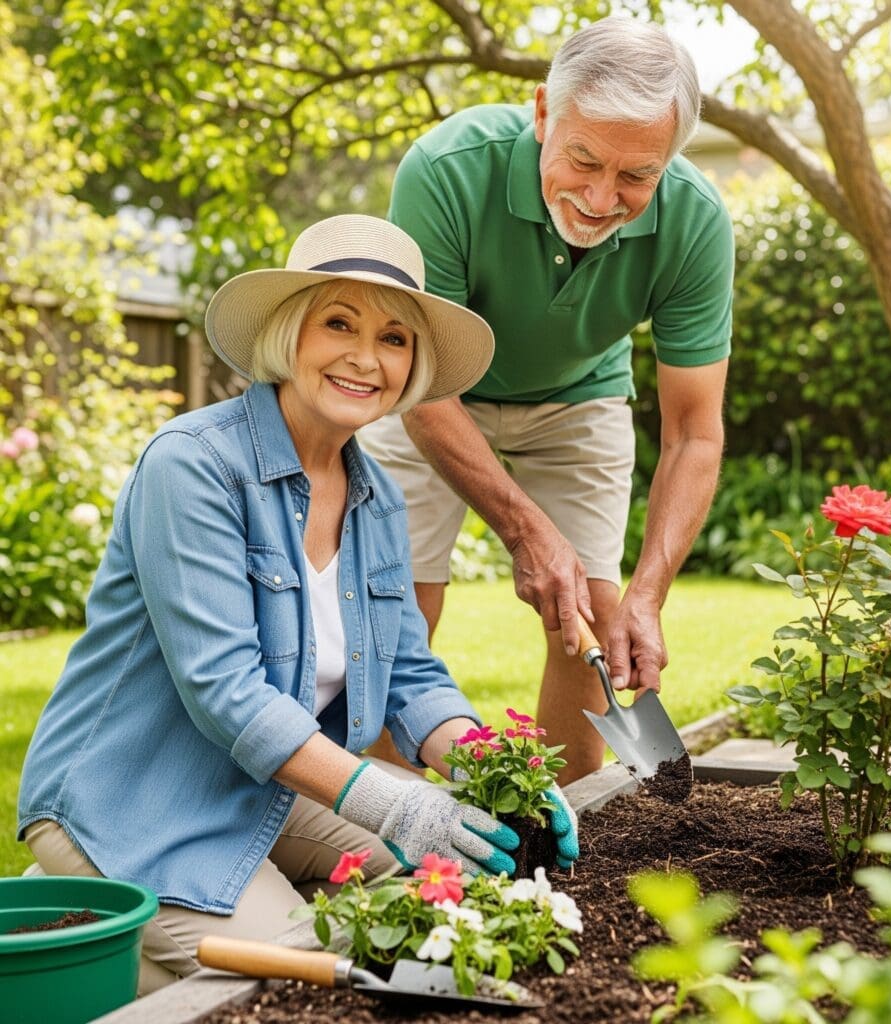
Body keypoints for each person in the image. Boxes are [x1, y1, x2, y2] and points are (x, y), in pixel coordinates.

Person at [17, 214, 579, 993]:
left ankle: (124, 930)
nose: (364, 356)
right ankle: (91, 923)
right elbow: (226, 691)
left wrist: (498, 774)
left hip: (264, 791)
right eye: (338, 323)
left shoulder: (376, 499)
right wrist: (389, 801)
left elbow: (411, 674)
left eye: (394, 337)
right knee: (311, 983)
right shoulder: (193, 467)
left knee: (471, 889)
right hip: (140, 798)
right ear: (289, 334)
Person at [359, 18, 734, 784]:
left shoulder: (696, 221)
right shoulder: (446, 169)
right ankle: (379, 836)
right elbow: (426, 388)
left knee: (585, 614)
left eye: (637, 176)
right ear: (542, 113)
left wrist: (647, 595)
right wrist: (528, 532)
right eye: (584, 159)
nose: (601, 198)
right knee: (394, 604)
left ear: (672, 158)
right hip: (431, 388)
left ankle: (561, 833)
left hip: (577, 396)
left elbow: (696, 433)